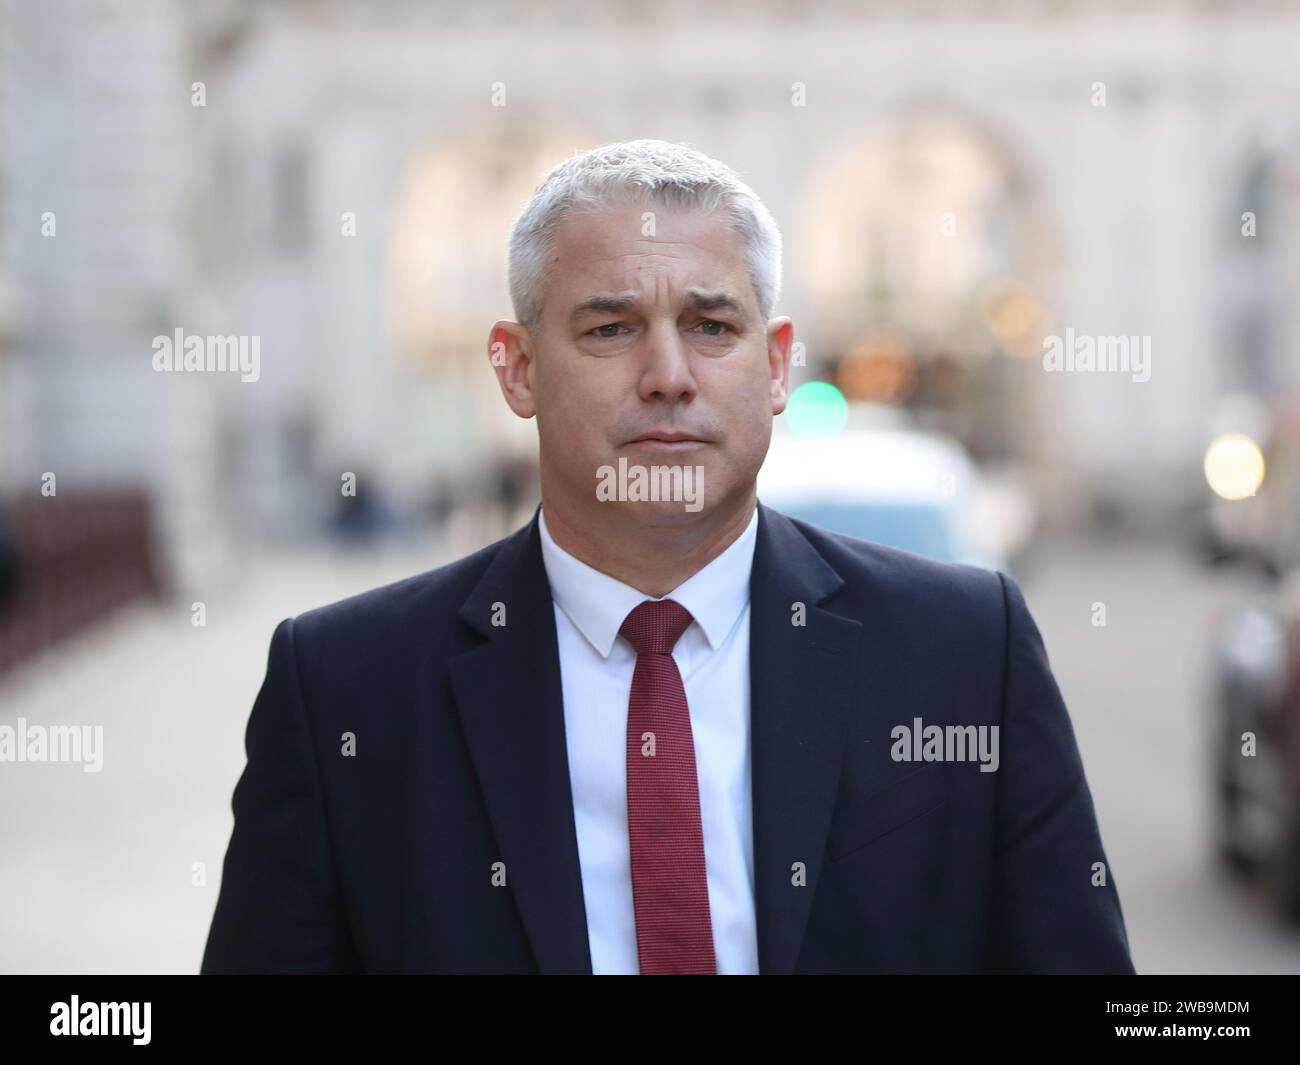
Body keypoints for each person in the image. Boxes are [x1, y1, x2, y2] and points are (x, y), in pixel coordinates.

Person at [201, 139, 1134, 974]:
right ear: (517, 367)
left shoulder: (968, 653)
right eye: (610, 328)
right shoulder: (344, 690)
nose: (669, 374)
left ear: (774, 368)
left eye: (710, 326)